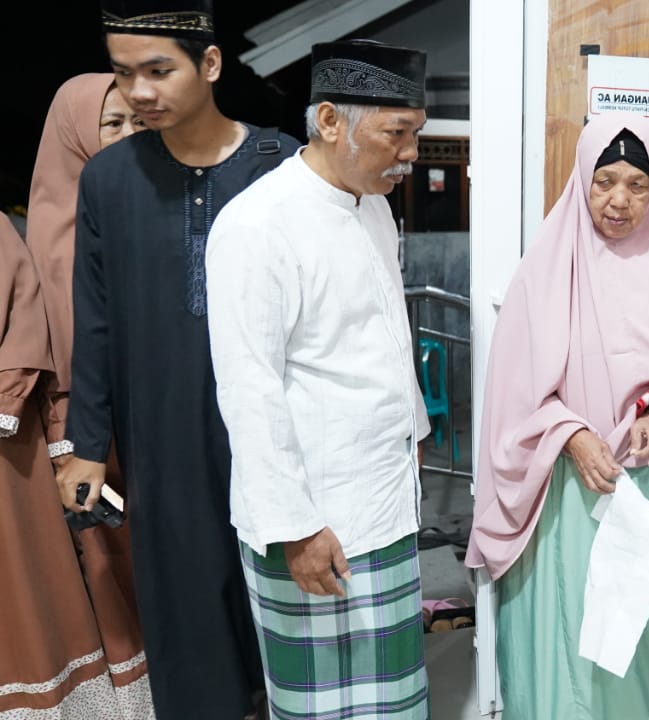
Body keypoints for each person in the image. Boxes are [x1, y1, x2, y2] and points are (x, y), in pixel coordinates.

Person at [54, 2, 302, 718]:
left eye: (158, 70)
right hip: (160, 432)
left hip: (272, 430)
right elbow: (94, 322)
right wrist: (87, 447)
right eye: (125, 74)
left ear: (211, 65)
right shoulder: (108, 181)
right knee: (185, 615)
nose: (139, 93)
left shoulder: (281, 166)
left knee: (283, 600)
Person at [466, 113, 649, 719]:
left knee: (628, 644)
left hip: (640, 493)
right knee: (561, 648)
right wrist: (572, 434)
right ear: (582, 181)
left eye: (638, 185)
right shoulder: (546, 271)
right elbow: (515, 395)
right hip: (560, 493)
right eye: (604, 180)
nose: (620, 200)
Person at [205, 39, 432, 719]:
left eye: (417, 135)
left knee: (393, 701)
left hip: (383, 499)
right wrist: (295, 529)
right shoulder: (256, 224)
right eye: (398, 134)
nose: (412, 155)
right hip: (311, 518)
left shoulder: (374, 207)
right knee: (319, 707)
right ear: (330, 120)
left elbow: (383, 337)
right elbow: (249, 389)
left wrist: (413, 429)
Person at [15, 70, 153, 717]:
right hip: (88, 439)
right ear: (74, 135)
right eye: (112, 124)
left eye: (137, 123)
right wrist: (70, 442)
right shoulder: (44, 238)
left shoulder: (146, 209)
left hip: (154, 426)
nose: (127, 137)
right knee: (113, 573)